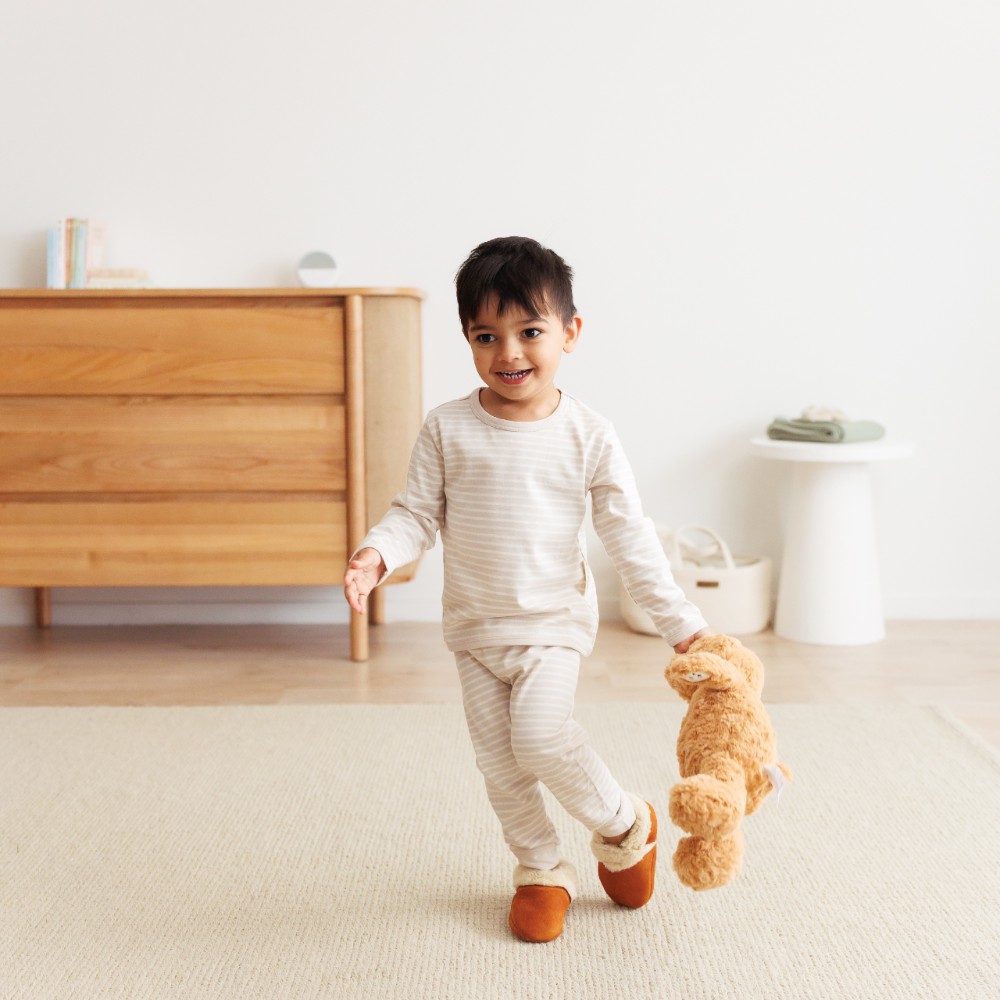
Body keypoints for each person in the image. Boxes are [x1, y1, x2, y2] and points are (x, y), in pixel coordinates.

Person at [344, 236, 710, 942]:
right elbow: (415, 513)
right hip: (476, 633)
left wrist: (681, 623)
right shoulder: (448, 428)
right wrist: (375, 554)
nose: (509, 353)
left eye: (530, 332)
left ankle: (625, 823)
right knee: (500, 765)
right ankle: (541, 868)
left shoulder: (589, 435)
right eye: (488, 336)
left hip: (553, 625)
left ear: (570, 333)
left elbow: (629, 535)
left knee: (540, 736)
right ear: (468, 339)